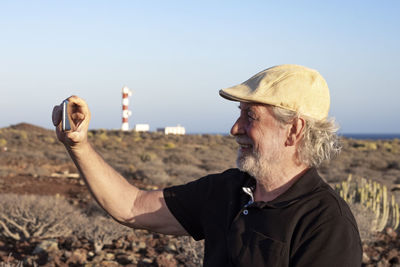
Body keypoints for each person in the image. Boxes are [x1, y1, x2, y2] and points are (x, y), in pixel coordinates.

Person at [52, 64, 362, 266]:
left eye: (250, 116)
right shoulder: (227, 190)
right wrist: (78, 144)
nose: (235, 129)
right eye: (240, 114)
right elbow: (130, 205)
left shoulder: (326, 223)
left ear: (294, 130)